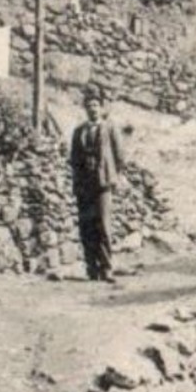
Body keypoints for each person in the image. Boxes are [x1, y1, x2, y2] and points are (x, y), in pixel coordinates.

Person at [70, 86, 125, 283]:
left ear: (101, 107)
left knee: (103, 225)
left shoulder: (110, 128)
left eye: (96, 105)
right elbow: (74, 160)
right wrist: (77, 183)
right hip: (85, 185)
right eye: (89, 105)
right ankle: (91, 269)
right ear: (85, 108)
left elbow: (119, 156)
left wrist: (115, 177)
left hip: (103, 184)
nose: (93, 108)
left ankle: (107, 269)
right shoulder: (79, 132)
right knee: (86, 226)